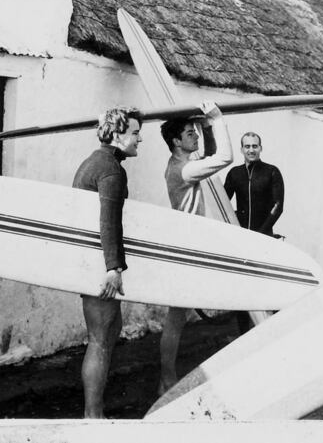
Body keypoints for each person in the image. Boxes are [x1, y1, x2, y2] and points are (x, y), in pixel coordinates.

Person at [72, 106, 143, 418]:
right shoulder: (110, 170)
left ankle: (95, 412)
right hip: (98, 267)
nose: (140, 140)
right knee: (100, 340)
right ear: (117, 134)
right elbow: (108, 222)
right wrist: (113, 269)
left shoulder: (96, 160)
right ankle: (93, 418)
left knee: (111, 331)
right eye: (136, 133)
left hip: (92, 261)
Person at [159, 100, 233, 394]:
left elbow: (212, 154)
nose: (195, 137)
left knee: (178, 316)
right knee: (176, 317)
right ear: (176, 142)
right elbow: (225, 157)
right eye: (190, 133)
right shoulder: (184, 170)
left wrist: (205, 126)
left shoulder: (181, 164)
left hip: (188, 245)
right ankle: (165, 380)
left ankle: (165, 379)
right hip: (185, 249)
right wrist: (217, 118)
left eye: (195, 132)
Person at [223, 132, 285, 333]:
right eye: (247, 146)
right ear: (241, 149)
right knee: (243, 286)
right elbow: (223, 202)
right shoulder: (234, 174)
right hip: (241, 239)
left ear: (261, 148)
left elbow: (278, 206)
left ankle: (270, 329)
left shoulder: (271, 172)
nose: (251, 150)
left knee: (266, 284)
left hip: (263, 237)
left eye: (255, 146)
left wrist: (260, 234)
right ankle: (244, 333)